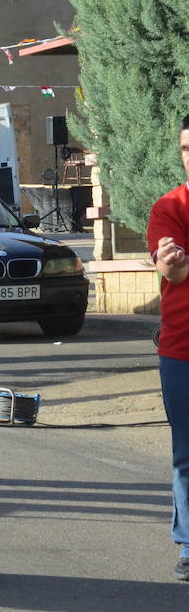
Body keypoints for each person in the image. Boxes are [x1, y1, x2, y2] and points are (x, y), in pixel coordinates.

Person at [146, 114, 189, 582]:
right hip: (183, 349)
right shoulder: (169, 207)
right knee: (187, 453)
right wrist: (175, 264)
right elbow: (171, 271)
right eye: (185, 149)